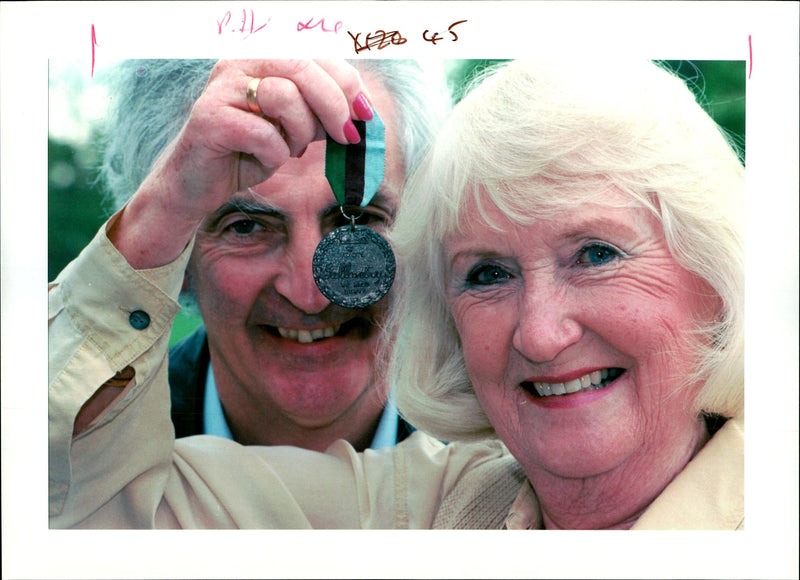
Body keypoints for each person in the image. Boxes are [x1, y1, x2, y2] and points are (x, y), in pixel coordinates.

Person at [49, 60, 743, 530]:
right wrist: (163, 208)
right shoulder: (436, 504)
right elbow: (59, 508)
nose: (313, 289)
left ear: (716, 275)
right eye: (488, 273)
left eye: (598, 254)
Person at [62, 59, 449, 453]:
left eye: (361, 221)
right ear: (175, 259)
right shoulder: (86, 455)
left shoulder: (500, 451)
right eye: (246, 227)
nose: (310, 295)